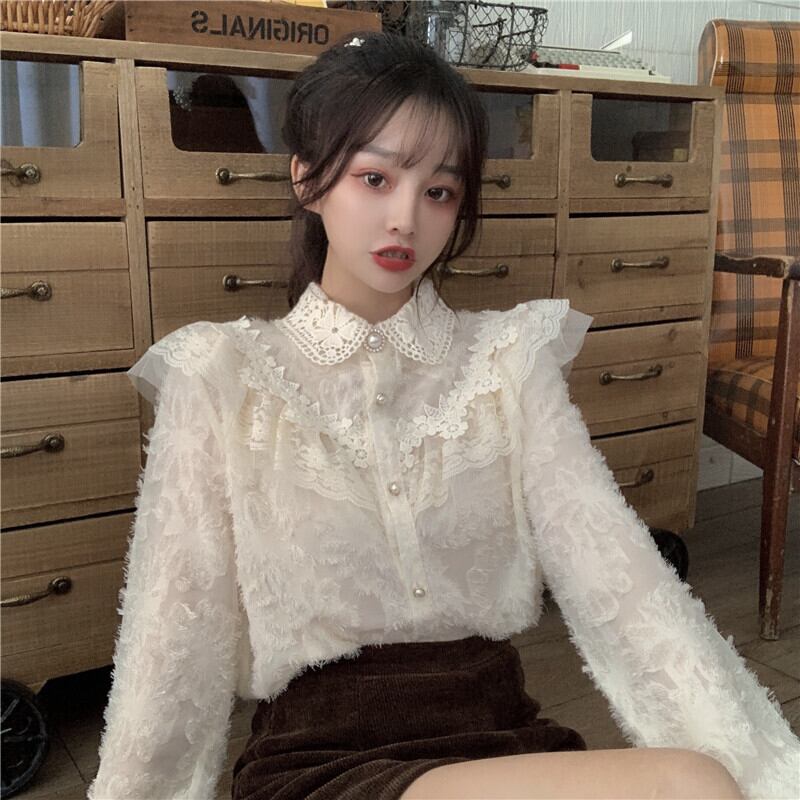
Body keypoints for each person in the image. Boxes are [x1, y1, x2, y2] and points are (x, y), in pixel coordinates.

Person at [87, 31, 798, 800]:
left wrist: (760, 765)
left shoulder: (507, 364)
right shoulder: (221, 376)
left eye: (438, 192)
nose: (405, 218)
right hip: (322, 758)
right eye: (374, 177)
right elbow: (171, 634)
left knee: (700, 781)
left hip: (498, 733)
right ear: (308, 179)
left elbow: (621, 579)